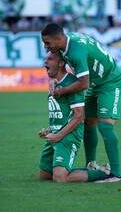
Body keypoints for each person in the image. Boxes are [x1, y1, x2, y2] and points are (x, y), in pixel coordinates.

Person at [41, 23, 121, 182]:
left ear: (59, 38)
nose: (46, 47)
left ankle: (116, 174)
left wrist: (61, 91)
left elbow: (83, 83)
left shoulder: (76, 51)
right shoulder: (65, 43)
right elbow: (57, 66)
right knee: (88, 122)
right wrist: (52, 79)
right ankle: (91, 164)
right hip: (96, 83)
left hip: (111, 81)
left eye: (47, 43)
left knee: (105, 125)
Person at [39, 52, 109, 183]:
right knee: (44, 175)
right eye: (45, 59)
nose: (45, 62)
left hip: (69, 136)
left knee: (60, 178)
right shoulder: (54, 84)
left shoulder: (71, 84)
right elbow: (61, 112)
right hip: (56, 134)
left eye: (50, 59)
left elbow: (79, 116)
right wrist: (50, 130)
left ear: (61, 63)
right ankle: (77, 169)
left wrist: (58, 136)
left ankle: (104, 173)